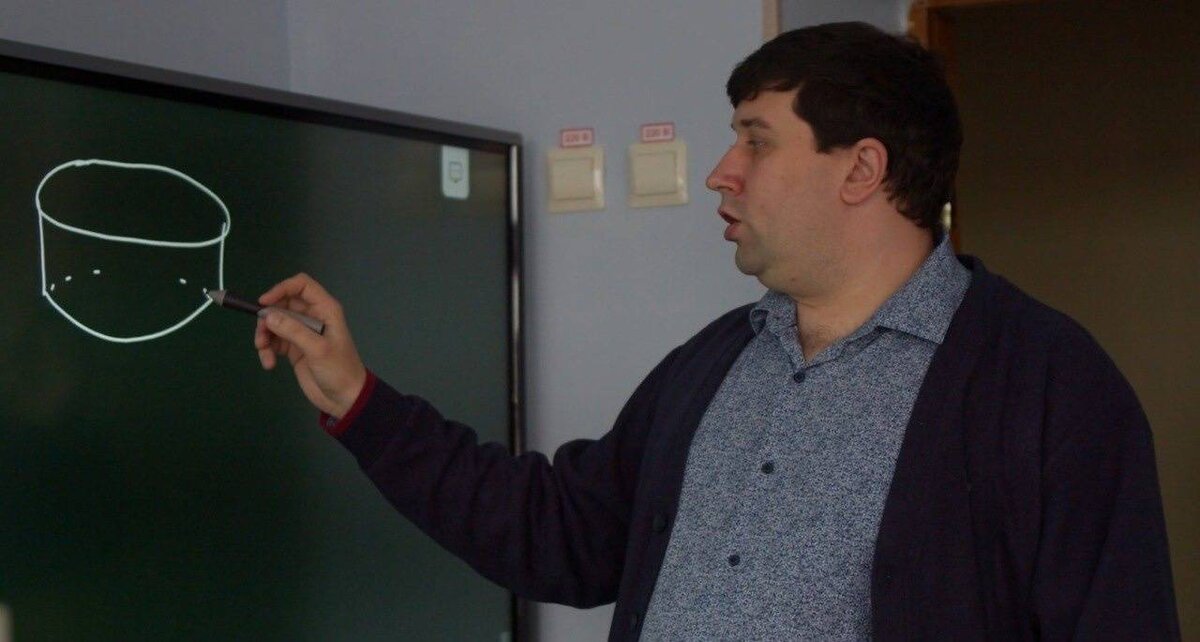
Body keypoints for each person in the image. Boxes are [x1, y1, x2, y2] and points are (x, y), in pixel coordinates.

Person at [253, 22, 1179, 641]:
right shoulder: (717, 362)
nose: (722, 172)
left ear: (861, 170)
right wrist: (357, 399)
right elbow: (559, 532)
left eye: (757, 140)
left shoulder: (1050, 388)